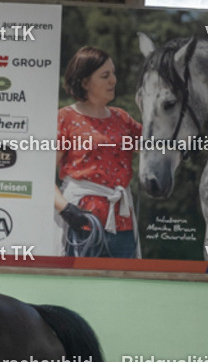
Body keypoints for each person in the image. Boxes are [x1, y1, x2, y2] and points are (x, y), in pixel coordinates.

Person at [54, 46, 142, 258]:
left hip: (122, 225)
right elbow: (41, 175)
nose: (113, 80)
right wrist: (66, 209)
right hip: (82, 221)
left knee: (124, 279)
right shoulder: (65, 118)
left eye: (113, 73)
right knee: (81, 279)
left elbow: (159, 148)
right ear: (85, 82)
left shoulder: (122, 119)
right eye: (105, 75)